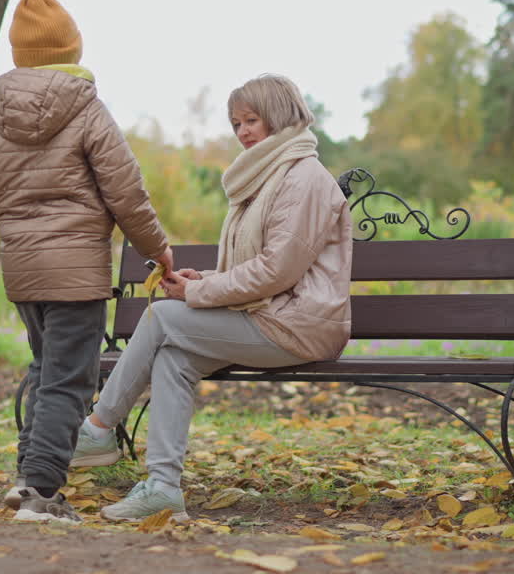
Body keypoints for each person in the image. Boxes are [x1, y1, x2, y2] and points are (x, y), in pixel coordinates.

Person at [71, 74, 353, 522]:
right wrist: (201, 279)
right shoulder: (265, 175)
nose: (242, 131)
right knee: (173, 360)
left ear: (279, 116)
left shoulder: (304, 179)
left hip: (300, 325)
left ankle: (99, 428)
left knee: (163, 319)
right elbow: (261, 265)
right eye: (236, 123)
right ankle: (162, 488)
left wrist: (198, 292)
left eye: (251, 120)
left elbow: (278, 270)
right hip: (270, 315)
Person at [0, 0, 173, 524]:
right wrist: (159, 252)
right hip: (75, 272)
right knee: (67, 382)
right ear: (70, 49)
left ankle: (27, 480)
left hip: (24, 272)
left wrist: (22, 220)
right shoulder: (86, 109)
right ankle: (41, 494)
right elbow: (127, 194)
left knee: (44, 370)